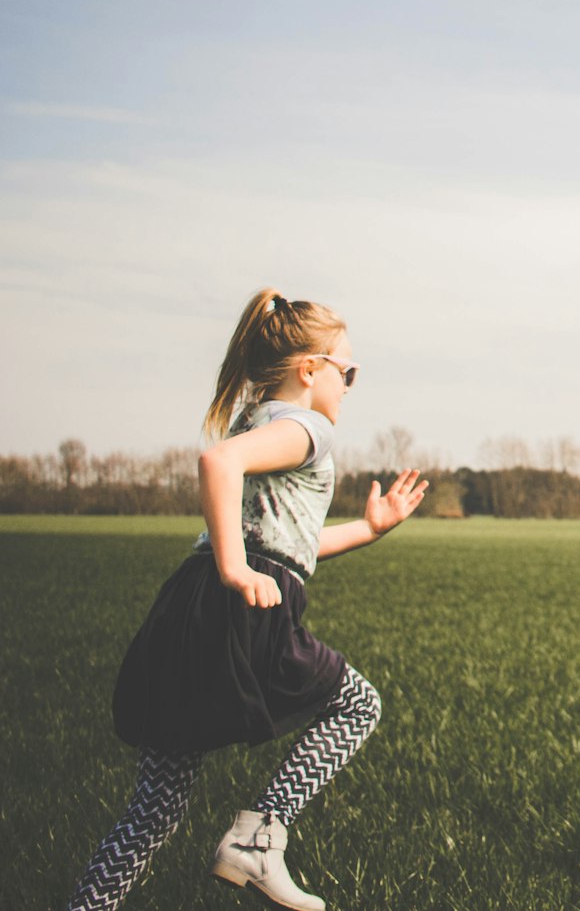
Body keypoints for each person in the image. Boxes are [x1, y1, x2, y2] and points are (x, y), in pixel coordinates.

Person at [65, 289, 428, 911]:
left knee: (155, 807)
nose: (350, 384)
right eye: (348, 370)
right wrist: (236, 571)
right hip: (247, 605)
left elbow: (285, 541)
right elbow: (219, 465)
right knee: (357, 707)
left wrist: (368, 528)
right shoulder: (306, 428)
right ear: (308, 369)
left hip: (191, 603)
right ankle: (260, 837)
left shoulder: (256, 418)